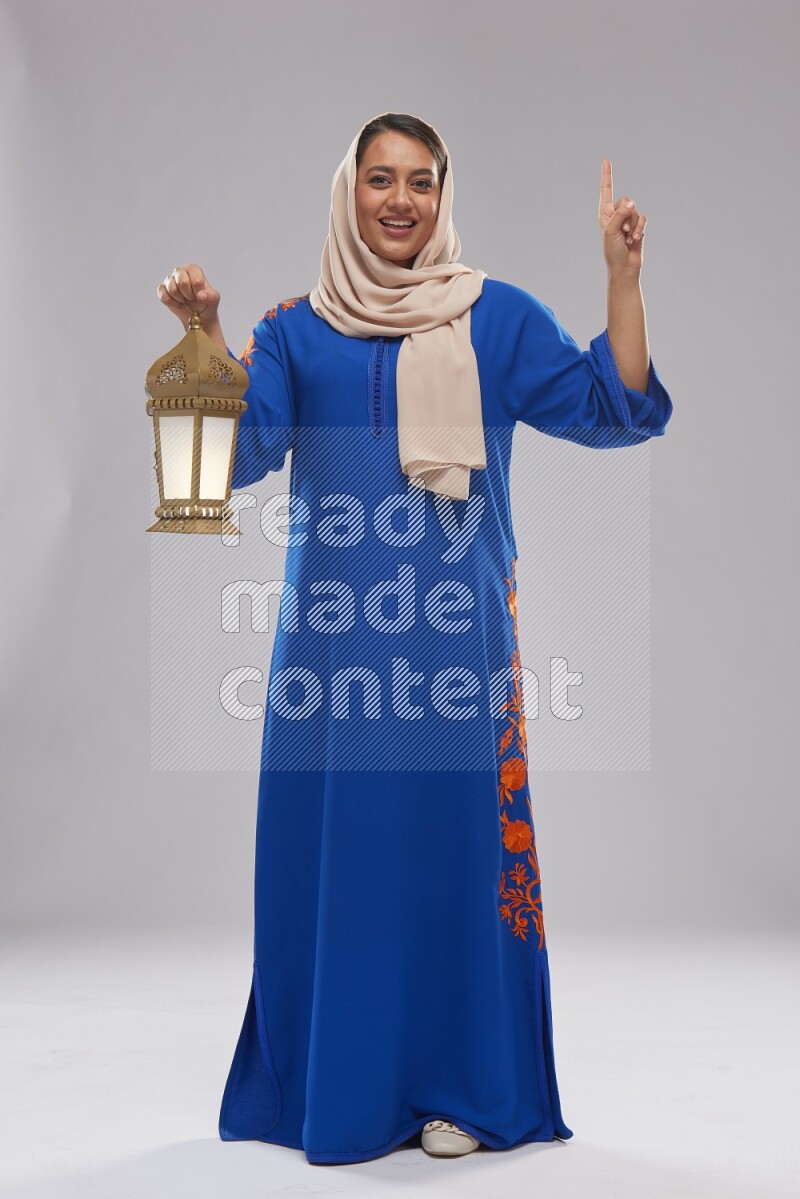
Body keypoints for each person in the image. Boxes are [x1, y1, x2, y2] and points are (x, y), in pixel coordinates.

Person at [157, 111, 673, 1165]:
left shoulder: (494, 319)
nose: (400, 200)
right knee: (344, 858)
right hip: (332, 654)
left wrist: (620, 278)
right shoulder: (296, 329)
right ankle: (338, 1082)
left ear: (443, 195)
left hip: (455, 653)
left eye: (421, 181)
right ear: (348, 191)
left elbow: (612, 407)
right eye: (379, 178)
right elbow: (221, 466)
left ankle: (462, 1087)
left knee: (452, 857)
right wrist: (204, 337)